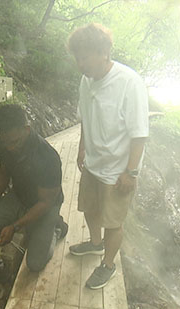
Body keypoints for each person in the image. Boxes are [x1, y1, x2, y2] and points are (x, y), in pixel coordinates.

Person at [66, 23, 149, 289]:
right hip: (93, 163)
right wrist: (82, 146)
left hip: (118, 170)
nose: (80, 63)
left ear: (104, 51)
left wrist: (131, 172)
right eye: (77, 57)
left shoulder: (129, 82)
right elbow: (86, 118)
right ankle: (95, 244)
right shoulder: (86, 80)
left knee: (113, 221)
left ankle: (108, 265)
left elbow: (140, 134)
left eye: (85, 56)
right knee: (89, 208)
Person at [0, 104, 68, 272]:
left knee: (35, 263)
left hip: (44, 205)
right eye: (5, 141)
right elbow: (3, 173)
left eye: (14, 142)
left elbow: (45, 202)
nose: (10, 147)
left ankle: (57, 227)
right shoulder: (4, 143)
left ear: (26, 129)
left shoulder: (48, 157)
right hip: (18, 196)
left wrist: (15, 227)